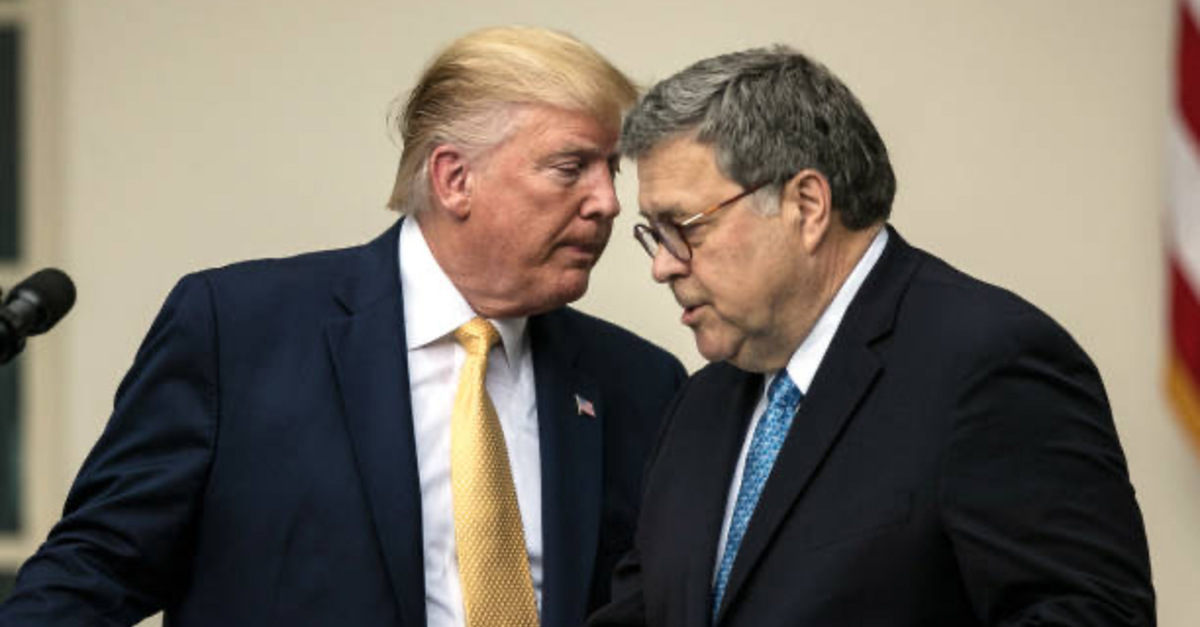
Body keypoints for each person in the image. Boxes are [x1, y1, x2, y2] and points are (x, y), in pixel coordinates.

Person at [0, 26, 685, 627]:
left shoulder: (639, 383)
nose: (606, 201)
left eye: (610, 169)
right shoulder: (237, 333)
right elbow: (96, 569)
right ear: (454, 179)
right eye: (573, 168)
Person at [589, 46, 1155, 627]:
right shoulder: (700, 403)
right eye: (652, 235)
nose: (662, 265)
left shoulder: (988, 363)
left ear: (806, 206)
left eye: (683, 229)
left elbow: (1091, 615)